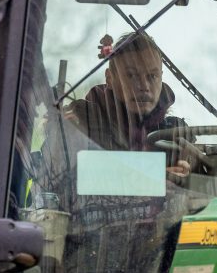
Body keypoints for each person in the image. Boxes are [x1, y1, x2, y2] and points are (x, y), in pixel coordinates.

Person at [62, 31, 192, 177]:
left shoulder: (176, 135)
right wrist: (155, 180)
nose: (144, 86)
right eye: (131, 75)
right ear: (110, 78)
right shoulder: (79, 123)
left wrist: (187, 175)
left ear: (161, 77)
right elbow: (62, 182)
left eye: (152, 76)